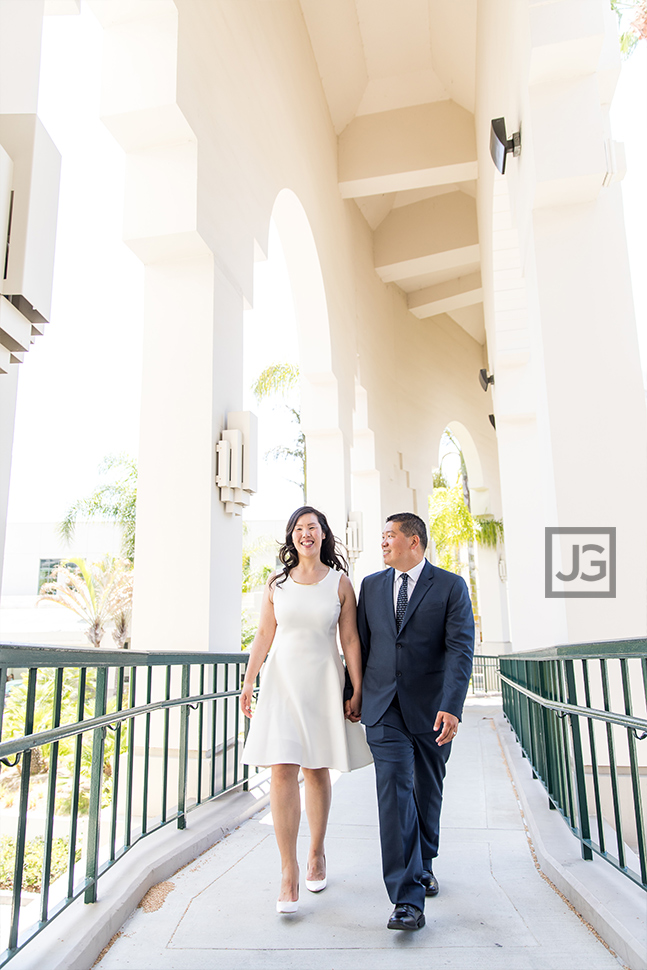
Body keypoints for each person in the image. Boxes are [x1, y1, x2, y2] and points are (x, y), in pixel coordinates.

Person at [240, 506, 372, 914]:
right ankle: (288, 870)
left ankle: (316, 853)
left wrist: (358, 689)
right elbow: (264, 633)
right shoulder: (276, 583)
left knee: (316, 769)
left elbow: (350, 639)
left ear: (323, 534)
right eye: (298, 529)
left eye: (312, 527)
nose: (305, 534)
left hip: (322, 682)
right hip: (281, 683)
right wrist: (248, 681)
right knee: (282, 769)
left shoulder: (340, 583)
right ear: (291, 537)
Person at [357, 512, 474, 931]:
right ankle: (407, 899)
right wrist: (357, 693)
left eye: (390, 536)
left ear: (415, 542)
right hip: (384, 708)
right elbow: (363, 647)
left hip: (432, 710)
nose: (383, 542)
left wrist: (452, 706)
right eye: (382, 535)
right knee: (394, 791)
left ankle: (424, 861)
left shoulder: (450, 586)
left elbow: (461, 649)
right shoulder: (370, 586)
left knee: (426, 789)